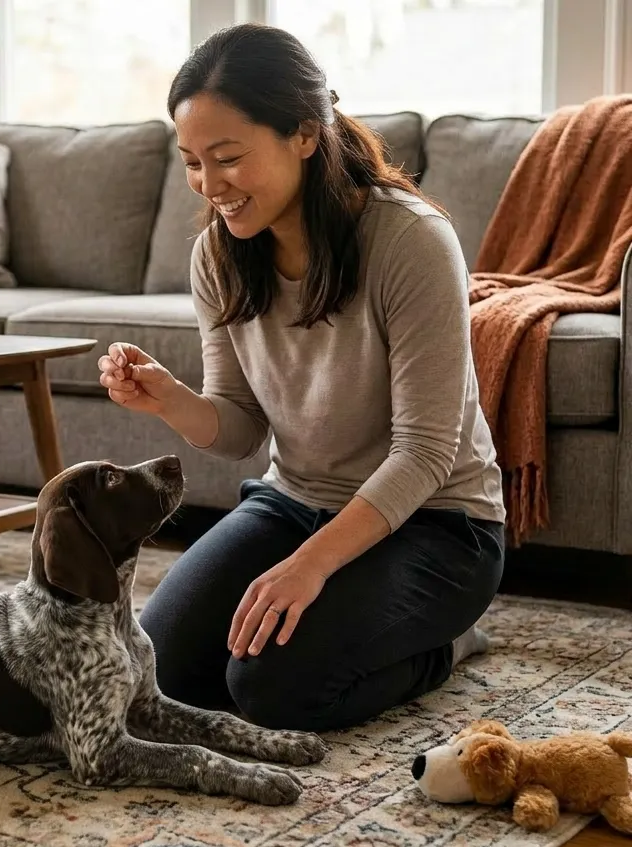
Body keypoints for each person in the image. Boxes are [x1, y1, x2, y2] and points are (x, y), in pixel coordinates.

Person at [97, 23, 507, 733]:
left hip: (438, 524)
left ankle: (442, 644)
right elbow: (239, 428)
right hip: (295, 503)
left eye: (227, 157)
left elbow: (425, 452)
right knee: (153, 668)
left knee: (274, 688)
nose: (208, 185)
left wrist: (308, 567)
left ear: (306, 134)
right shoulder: (218, 256)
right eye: (192, 161)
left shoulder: (409, 239)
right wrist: (172, 400)